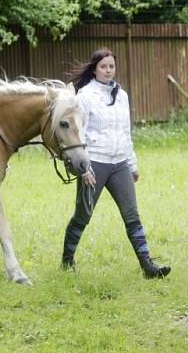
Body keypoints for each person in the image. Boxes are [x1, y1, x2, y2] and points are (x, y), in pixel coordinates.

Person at [61, 48, 170, 279]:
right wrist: (84, 170)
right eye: (103, 67)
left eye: (111, 66)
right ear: (95, 69)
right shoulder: (85, 96)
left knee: (132, 216)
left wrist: (132, 164)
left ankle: (148, 267)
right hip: (95, 164)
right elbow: (79, 135)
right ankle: (67, 261)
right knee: (83, 216)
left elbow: (125, 131)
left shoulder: (122, 95)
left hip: (119, 163)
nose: (108, 70)